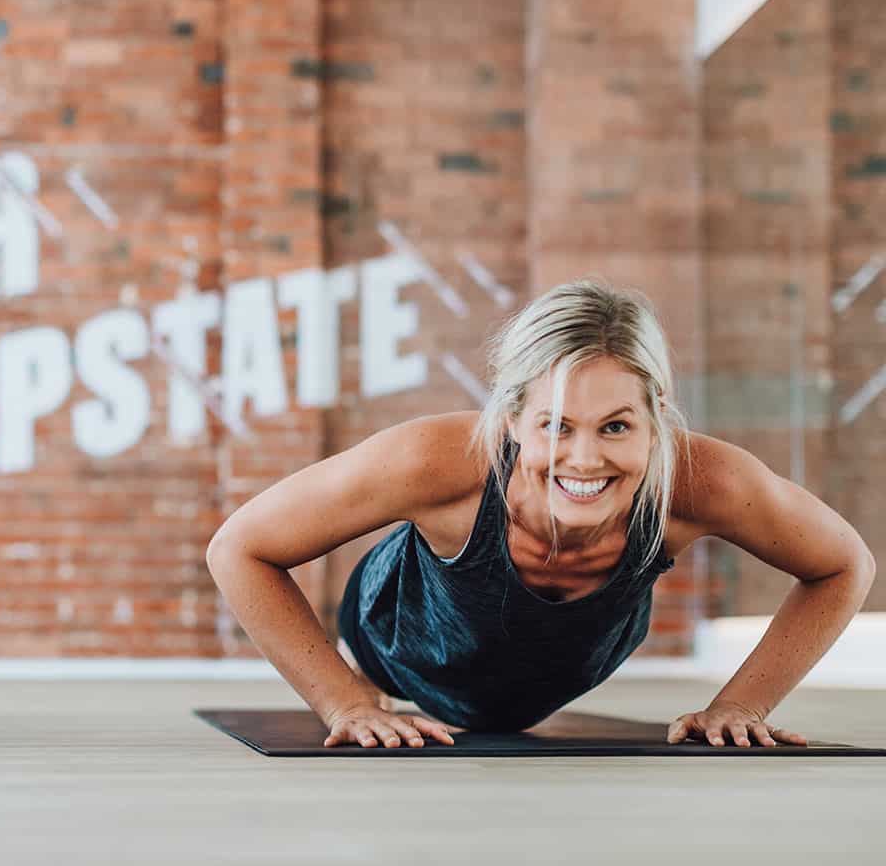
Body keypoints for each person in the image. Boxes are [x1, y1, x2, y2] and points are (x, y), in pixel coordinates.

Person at [208, 279, 875, 749]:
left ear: (658, 416)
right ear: (512, 416)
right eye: (556, 425)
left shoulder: (704, 480)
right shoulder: (434, 459)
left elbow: (845, 563)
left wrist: (742, 703)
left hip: (569, 661)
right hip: (400, 643)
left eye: (616, 426)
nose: (584, 459)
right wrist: (344, 700)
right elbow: (239, 546)